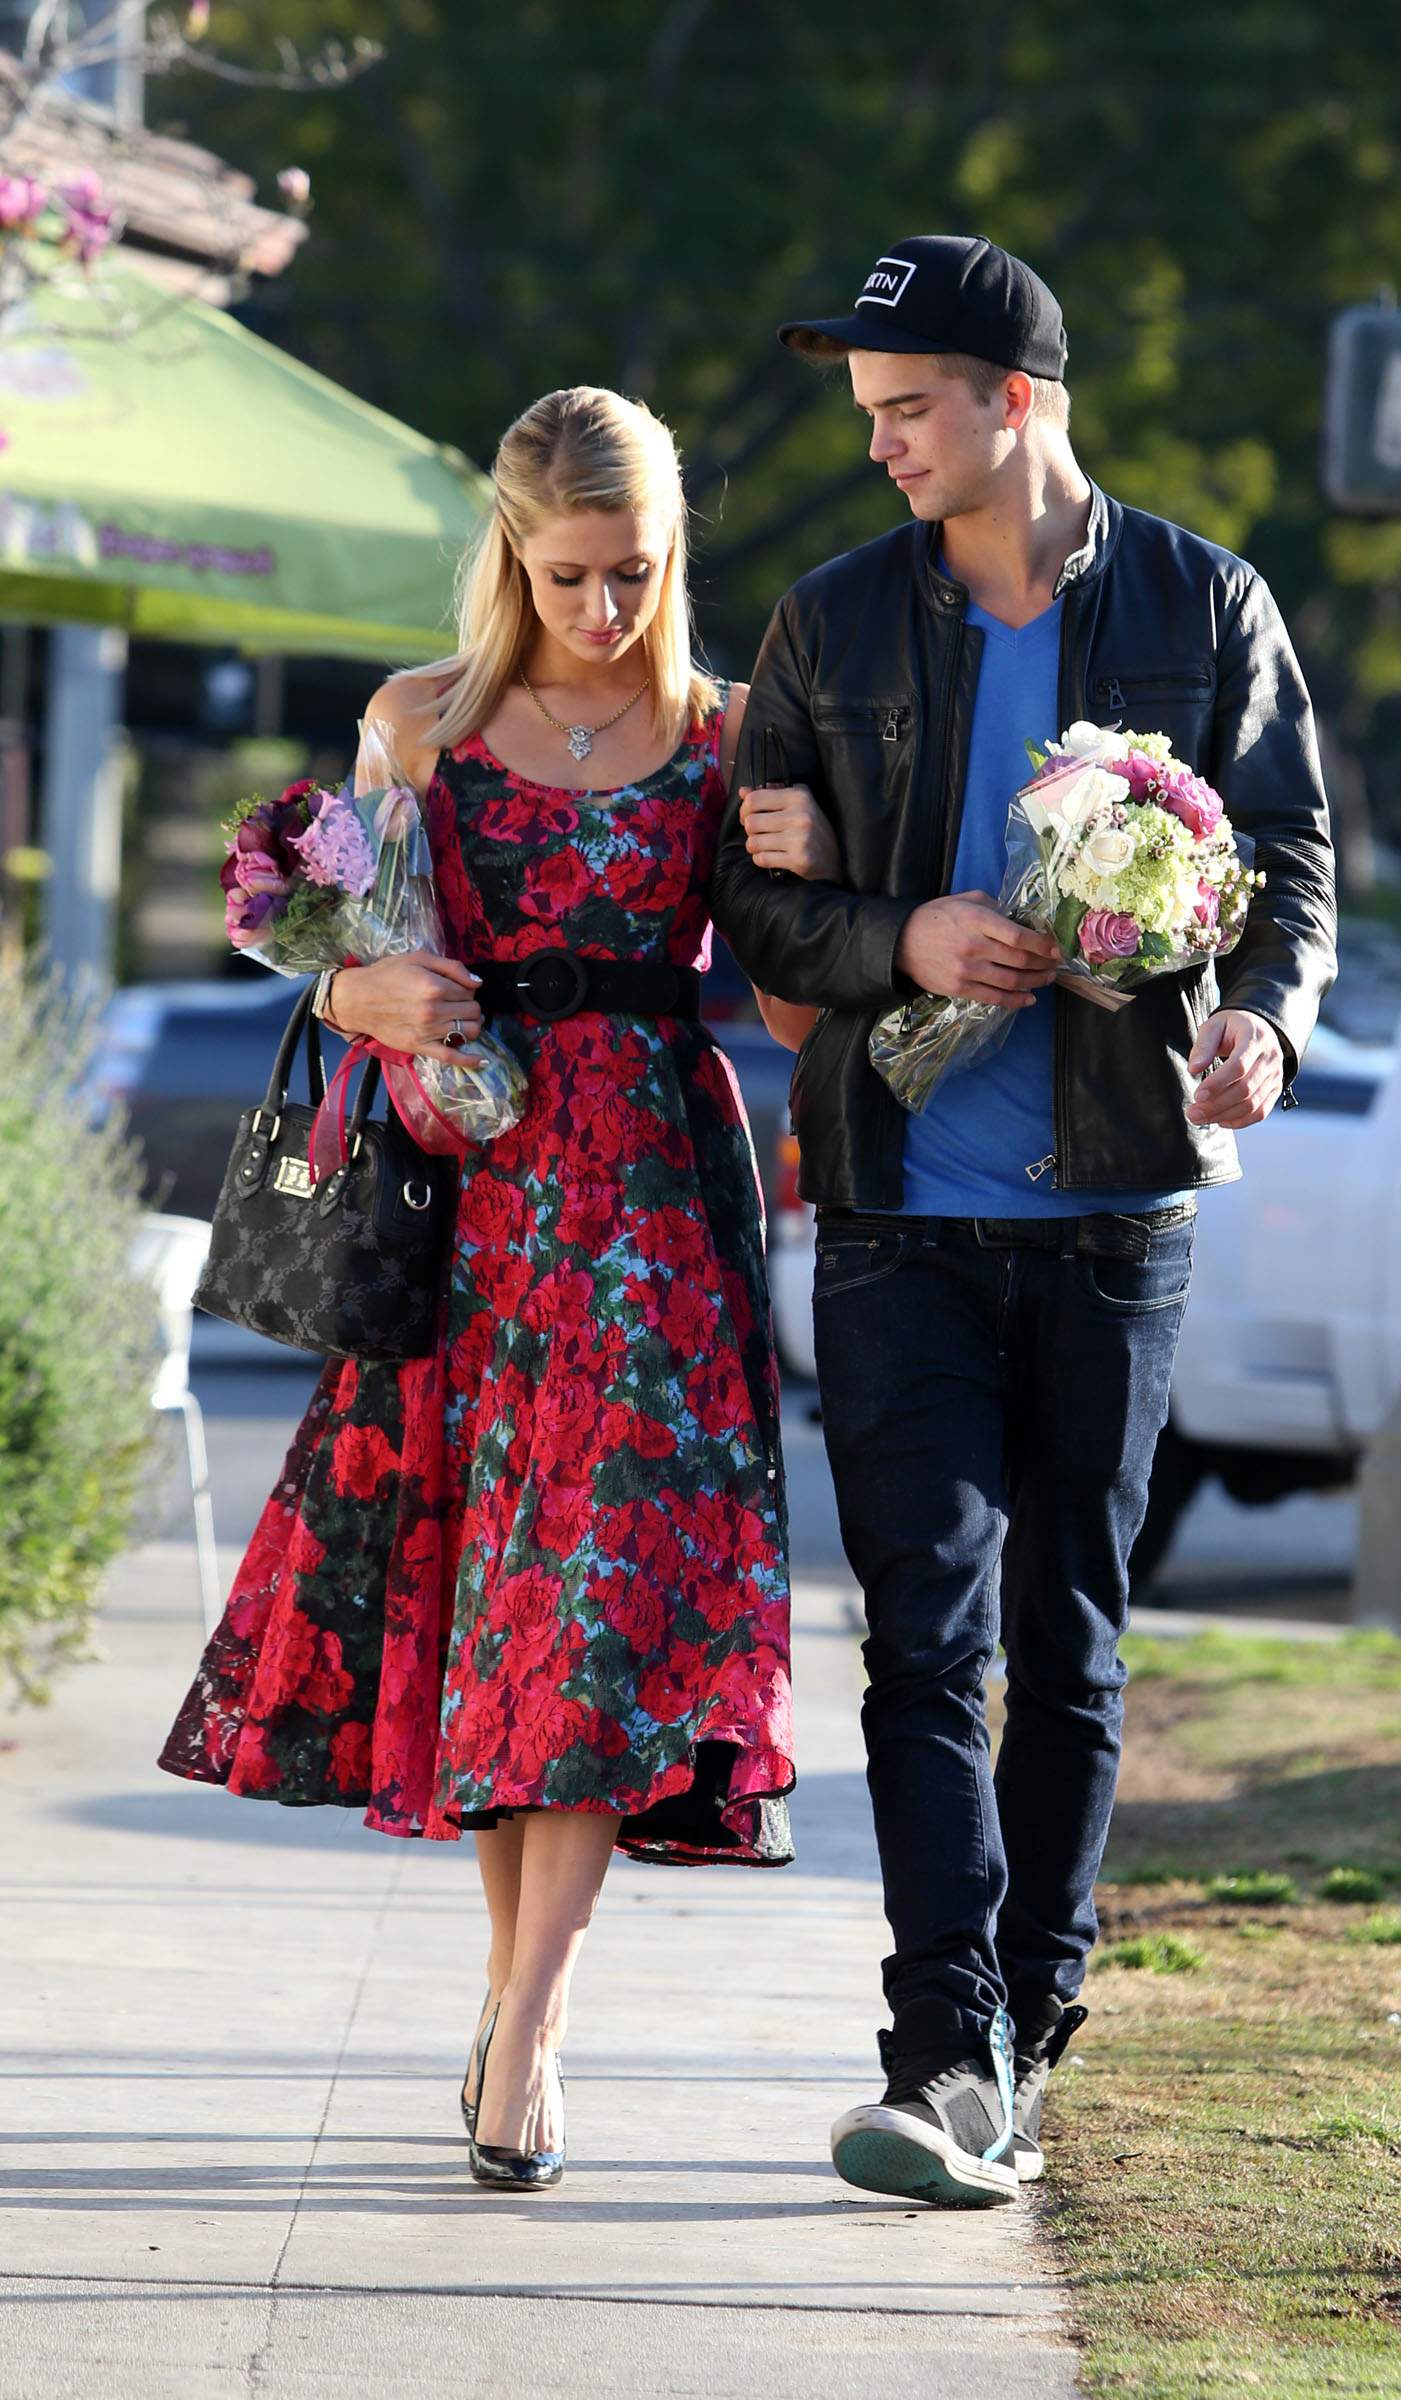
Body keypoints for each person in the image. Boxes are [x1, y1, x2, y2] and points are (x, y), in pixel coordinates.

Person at [712, 235, 1338, 2208]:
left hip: (1115, 1205)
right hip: (892, 1204)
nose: (879, 444)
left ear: (1021, 404)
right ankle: (936, 2042)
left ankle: (1024, 2034)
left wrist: (1261, 1025)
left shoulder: (1196, 602)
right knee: (919, 1644)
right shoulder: (827, 625)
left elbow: (1290, 859)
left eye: (909, 409)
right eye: (866, 413)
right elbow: (746, 912)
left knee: (1066, 1644)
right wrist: (894, 929)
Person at [160, 386, 834, 2191]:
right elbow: (351, 960)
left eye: (633, 573)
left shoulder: (731, 732)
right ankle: (511, 2006)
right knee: (497, 1615)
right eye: (570, 575)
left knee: (605, 1614)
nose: (604, 610)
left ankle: (528, 2031)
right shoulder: (421, 727)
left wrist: (817, 878)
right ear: (510, 555)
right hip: (475, 1218)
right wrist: (357, 994)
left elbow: (784, 1013)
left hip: (666, 1226)